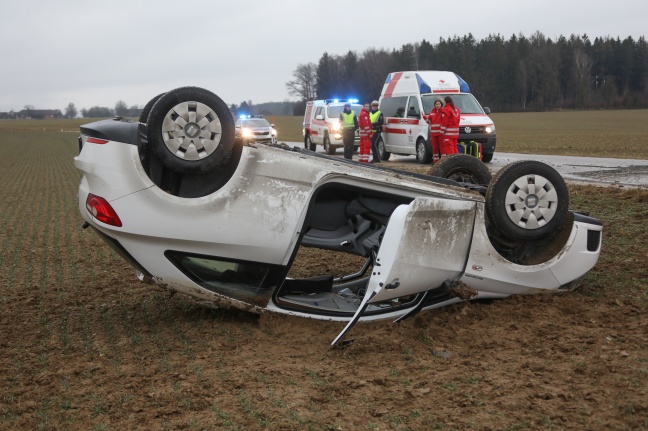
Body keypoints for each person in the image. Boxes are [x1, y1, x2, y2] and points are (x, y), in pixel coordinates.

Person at [424, 98, 444, 163]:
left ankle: (443, 161)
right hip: (433, 134)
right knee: (434, 147)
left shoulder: (443, 112)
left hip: (440, 133)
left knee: (442, 147)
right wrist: (424, 117)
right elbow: (429, 121)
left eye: (439, 104)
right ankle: (435, 161)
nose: (437, 105)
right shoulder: (432, 112)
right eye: (436, 104)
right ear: (434, 105)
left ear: (441, 105)